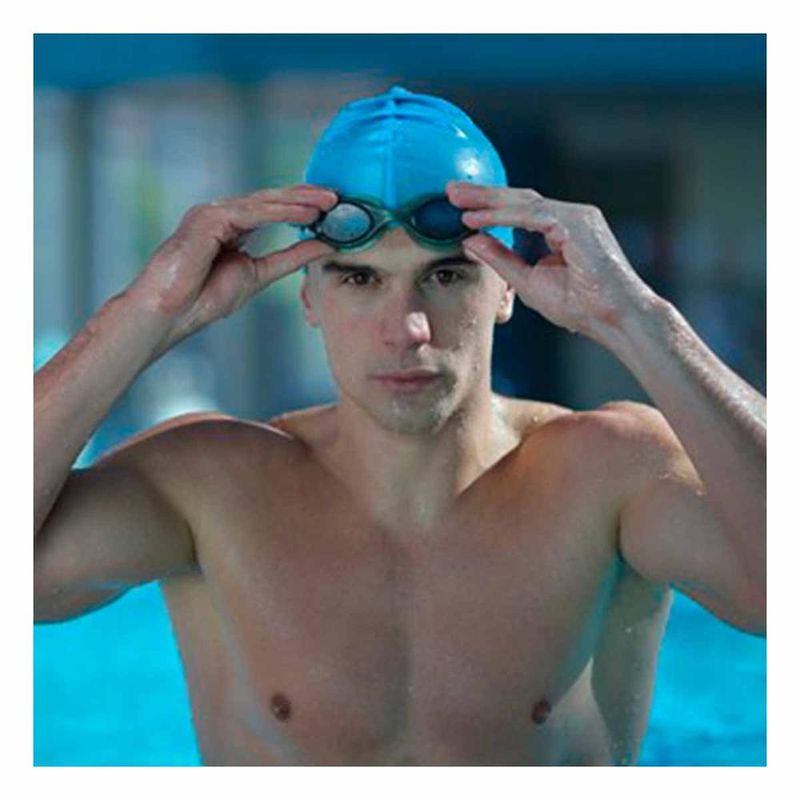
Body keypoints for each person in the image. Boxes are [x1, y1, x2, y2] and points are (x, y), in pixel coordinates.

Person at [33, 85, 766, 766]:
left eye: (445, 276)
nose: (408, 329)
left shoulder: (609, 475)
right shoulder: (210, 486)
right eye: (361, 279)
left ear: (506, 290)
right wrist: (146, 313)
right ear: (308, 298)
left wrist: (637, 317)